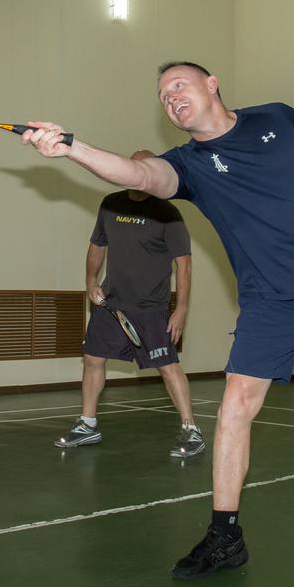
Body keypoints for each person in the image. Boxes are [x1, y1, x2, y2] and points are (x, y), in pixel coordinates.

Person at [20, 62, 294, 581]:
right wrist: (71, 147)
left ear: (212, 84)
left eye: (178, 85)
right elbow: (139, 174)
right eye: (162, 95)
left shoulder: (278, 118)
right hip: (272, 300)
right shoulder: (188, 165)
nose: (170, 97)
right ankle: (225, 534)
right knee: (235, 407)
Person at [54, 152, 203, 459]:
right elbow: (97, 246)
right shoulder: (110, 204)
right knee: (93, 359)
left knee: (167, 367)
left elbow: (183, 265)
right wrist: (91, 281)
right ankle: (87, 424)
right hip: (111, 304)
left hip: (151, 308)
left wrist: (182, 307)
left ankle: (191, 429)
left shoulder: (168, 212)